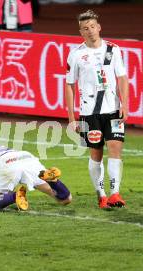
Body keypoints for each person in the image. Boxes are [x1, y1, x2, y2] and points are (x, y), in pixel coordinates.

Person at [65, 10, 129, 209]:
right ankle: (101, 194)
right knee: (96, 154)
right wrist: (71, 117)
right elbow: (69, 85)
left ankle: (115, 193)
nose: (90, 31)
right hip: (89, 112)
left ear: (99, 27)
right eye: (86, 28)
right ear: (81, 32)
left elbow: (122, 78)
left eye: (93, 26)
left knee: (115, 149)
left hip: (113, 109)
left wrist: (125, 104)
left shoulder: (113, 50)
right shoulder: (76, 54)